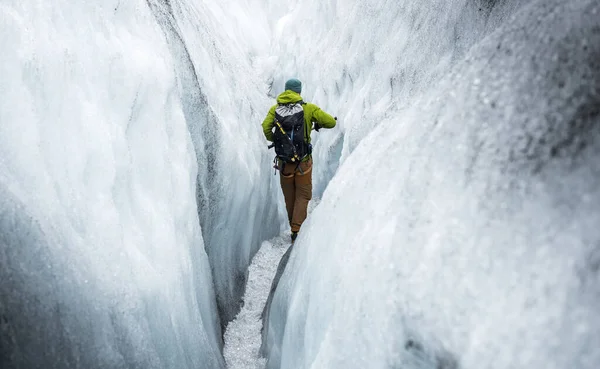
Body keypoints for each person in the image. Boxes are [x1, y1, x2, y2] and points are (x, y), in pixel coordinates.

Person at [261, 78, 337, 242]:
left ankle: (293, 225)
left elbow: (265, 126)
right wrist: (316, 124)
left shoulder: (275, 109)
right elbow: (330, 122)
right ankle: (297, 230)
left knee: (290, 197)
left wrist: (275, 140)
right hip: (303, 161)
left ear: (286, 90)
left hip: (284, 163)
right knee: (303, 195)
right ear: (299, 91)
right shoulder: (308, 108)